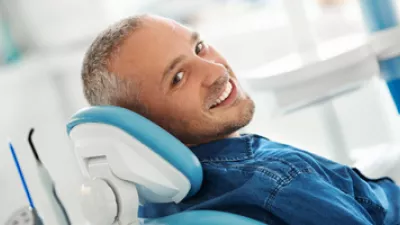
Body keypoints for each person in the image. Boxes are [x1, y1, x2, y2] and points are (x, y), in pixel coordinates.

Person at [81, 14, 400, 225]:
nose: (217, 70)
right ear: (145, 126)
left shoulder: (155, 208)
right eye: (178, 77)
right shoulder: (278, 181)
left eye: (199, 47)